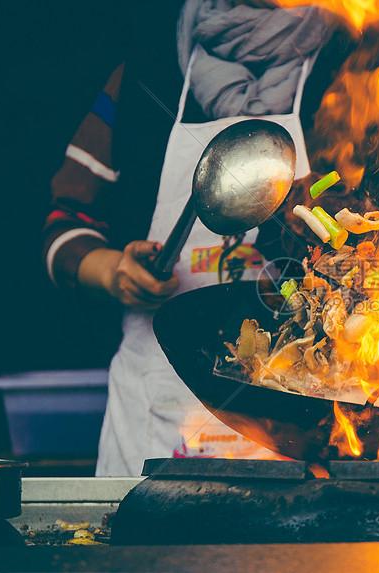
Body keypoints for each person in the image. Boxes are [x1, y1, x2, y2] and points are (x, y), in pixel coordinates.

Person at [43, 1, 341, 476]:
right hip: (154, 410)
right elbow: (65, 221)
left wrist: (331, 247)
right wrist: (113, 269)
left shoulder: (354, 67)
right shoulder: (150, 71)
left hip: (299, 424)